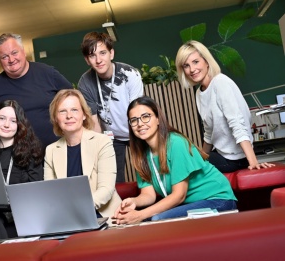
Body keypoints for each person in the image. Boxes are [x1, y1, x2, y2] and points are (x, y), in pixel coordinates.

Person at [113, 96, 237, 224]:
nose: (139, 124)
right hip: (189, 204)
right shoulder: (142, 155)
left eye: (146, 116)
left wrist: (140, 214)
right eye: (134, 120)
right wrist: (134, 201)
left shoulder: (176, 143)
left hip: (217, 199)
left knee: (157, 219)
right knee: (150, 220)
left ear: (157, 119)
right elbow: (149, 195)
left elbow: (179, 195)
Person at [175, 40, 274, 173]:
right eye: (186, 65)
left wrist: (253, 162)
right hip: (221, 155)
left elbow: (237, 124)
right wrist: (202, 157)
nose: (192, 69)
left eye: (196, 62)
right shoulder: (200, 92)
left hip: (235, 159)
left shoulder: (220, 83)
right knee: (187, 158)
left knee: (185, 161)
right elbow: (209, 132)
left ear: (206, 61)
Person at [0, 33, 73, 148]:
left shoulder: (48, 73)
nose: (11, 59)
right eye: (4, 57)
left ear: (23, 51)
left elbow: (74, 98)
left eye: (14, 53)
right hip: (19, 158)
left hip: (57, 151)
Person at [44, 89, 121, 219]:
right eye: (62, 111)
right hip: (67, 219)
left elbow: (106, 189)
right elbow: (50, 194)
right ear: (56, 118)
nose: (69, 116)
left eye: (74, 110)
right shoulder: (51, 150)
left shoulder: (102, 142)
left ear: (84, 115)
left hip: (101, 216)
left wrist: (76, 210)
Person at [78, 32, 144, 183]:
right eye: (92, 55)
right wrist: (101, 149)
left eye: (103, 53)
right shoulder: (85, 82)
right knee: (112, 178)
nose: (99, 60)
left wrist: (141, 140)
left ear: (111, 53)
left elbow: (138, 112)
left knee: (145, 170)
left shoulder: (130, 74)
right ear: (87, 60)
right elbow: (94, 122)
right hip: (111, 136)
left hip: (136, 130)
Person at [0, 100, 44, 241]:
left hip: (22, 219)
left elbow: (38, 196)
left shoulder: (31, 156)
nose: (6, 124)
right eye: (2, 118)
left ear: (20, 126)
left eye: (13, 121)